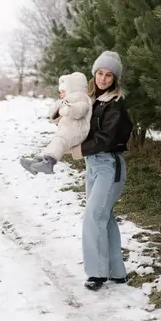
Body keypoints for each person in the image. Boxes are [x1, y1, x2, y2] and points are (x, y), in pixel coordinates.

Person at [67, 50, 133, 291]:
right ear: (94, 74)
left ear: (115, 78)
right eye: (100, 73)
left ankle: (96, 274)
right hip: (93, 164)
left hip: (109, 165)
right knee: (105, 218)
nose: (103, 78)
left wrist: (76, 150)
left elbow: (106, 139)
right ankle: (117, 273)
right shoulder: (93, 100)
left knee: (94, 217)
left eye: (108, 75)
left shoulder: (116, 104)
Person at [20, 71, 92, 175]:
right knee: (54, 144)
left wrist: (69, 110)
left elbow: (81, 109)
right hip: (68, 130)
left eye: (63, 90)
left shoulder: (80, 98)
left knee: (59, 142)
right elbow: (54, 115)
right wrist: (57, 110)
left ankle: (48, 163)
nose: (60, 93)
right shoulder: (67, 100)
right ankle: (35, 164)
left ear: (71, 89)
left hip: (77, 131)